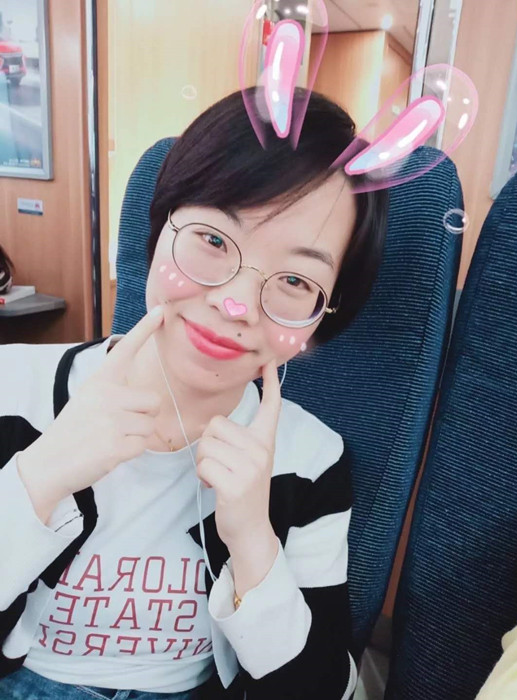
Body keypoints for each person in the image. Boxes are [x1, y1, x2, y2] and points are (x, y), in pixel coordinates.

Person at [0, 88, 389, 700]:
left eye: (294, 279)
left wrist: (254, 543)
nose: (235, 303)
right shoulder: (10, 389)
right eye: (213, 240)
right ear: (159, 229)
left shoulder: (311, 460)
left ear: (325, 317)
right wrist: (39, 476)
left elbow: (325, 691)